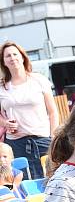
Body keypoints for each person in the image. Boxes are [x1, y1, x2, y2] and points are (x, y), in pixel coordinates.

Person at [0, 41, 58, 180]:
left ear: (22, 57)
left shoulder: (38, 80)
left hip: (43, 139)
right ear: (4, 62)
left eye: (15, 54)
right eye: (8, 56)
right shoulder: (2, 86)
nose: (12, 58)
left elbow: (53, 112)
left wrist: (53, 137)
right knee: (20, 180)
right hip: (15, 142)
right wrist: (5, 123)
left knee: (51, 178)